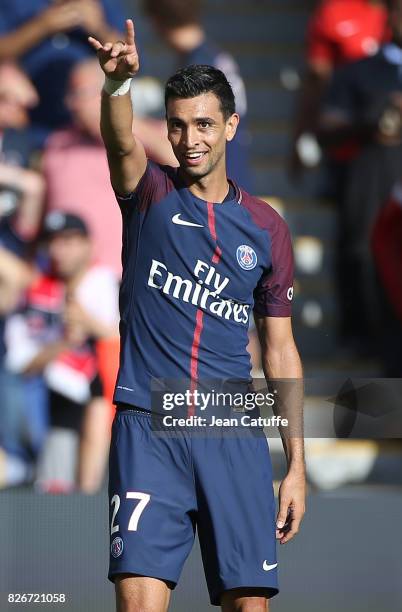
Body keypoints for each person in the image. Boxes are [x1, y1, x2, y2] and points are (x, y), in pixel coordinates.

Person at [89, 19, 305, 611]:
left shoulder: (266, 228)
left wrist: (295, 467)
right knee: (137, 604)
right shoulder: (150, 196)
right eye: (179, 125)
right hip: (147, 422)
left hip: (230, 425)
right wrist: (117, 89)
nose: (191, 140)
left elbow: (281, 351)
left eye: (205, 124)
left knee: (249, 605)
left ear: (231, 126)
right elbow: (120, 142)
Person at [5, 212, 120, 492]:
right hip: (56, 406)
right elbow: (20, 361)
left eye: (69, 241)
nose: (60, 250)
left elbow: (126, 338)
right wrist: (65, 342)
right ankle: (22, 466)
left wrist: (88, 324)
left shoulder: (105, 281)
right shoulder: (37, 291)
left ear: (88, 245)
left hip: (113, 403)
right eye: (54, 242)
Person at [317, 0, 402, 355]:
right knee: (368, 255)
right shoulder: (359, 72)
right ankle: (372, 340)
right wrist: (373, 121)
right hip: (375, 187)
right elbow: (328, 127)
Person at [42, 57, 177, 276]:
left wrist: (118, 125)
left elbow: (186, 167)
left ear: (107, 93)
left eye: (80, 94)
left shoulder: (150, 134)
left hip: (126, 276)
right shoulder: (58, 143)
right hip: (63, 279)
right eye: (71, 95)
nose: (72, 104)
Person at [142, 0, 253, 192]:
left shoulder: (199, 68)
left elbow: (187, 144)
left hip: (215, 193)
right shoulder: (211, 56)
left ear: (156, 20)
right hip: (231, 183)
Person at [0, 0, 126, 150]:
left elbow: (128, 61)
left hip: (92, 125)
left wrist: (99, 28)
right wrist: (42, 26)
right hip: (29, 125)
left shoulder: (103, 4)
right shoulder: (14, 4)